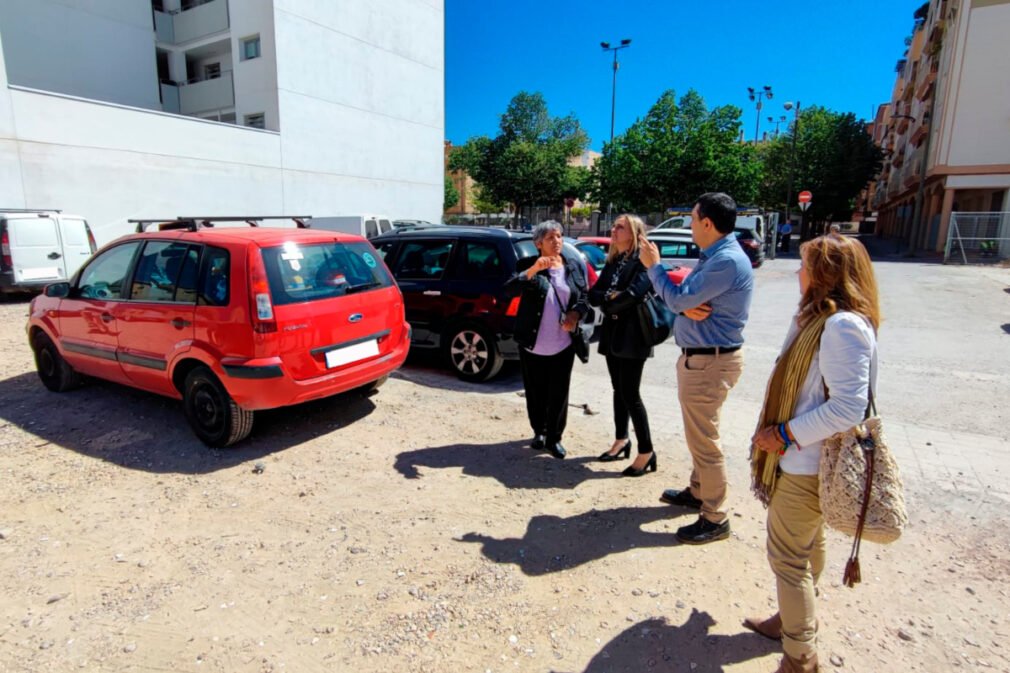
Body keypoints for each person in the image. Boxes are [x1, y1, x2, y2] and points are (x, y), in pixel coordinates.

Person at [745, 233, 880, 673]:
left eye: (804, 265)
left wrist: (783, 434)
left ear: (823, 275)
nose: (797, 273)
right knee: (808, 544)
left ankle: (800, 656)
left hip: (806, 462)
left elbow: (848, 407)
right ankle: (791, 619)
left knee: (787, 558)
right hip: (809, 460)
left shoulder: (840, 325)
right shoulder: (821, 319)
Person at [638, 192, 754, 545]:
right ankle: (698, 491)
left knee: (705, 442)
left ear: (707, 223)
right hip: (704, 358)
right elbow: (685, 295)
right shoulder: (717, 256)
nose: (689, 225)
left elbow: (677, 297)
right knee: (699, 434)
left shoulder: (726, 261)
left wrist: (654, 267)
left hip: (709, 361)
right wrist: (685, 300)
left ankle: (715, 516)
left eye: (691, 218)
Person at [505, 221, 590, 460]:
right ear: (538, 243)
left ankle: (554, 438)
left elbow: (584, 296)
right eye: (551, 237)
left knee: (559, 392)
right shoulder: (526, 265)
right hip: (532, 342)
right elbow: (508, 290)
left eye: (560, 236)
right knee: (535, 391)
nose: (557, 242)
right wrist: (531, 271)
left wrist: (575, 314)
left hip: (562, 343)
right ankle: (539, 432)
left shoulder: (572, 266)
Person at [587, 214, 657, 477]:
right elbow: (595, 293)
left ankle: (646, 450)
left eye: (620, 227)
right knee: (618, 389)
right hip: (613, 332)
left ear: (634, 232)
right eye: (614, 226)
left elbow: (634, 295)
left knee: (631, 394)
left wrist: (611, 299)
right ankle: (621, 439)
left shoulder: (643, 259)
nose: (613, 230)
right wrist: (610, 297)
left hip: (634, 334)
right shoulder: (615, 261)